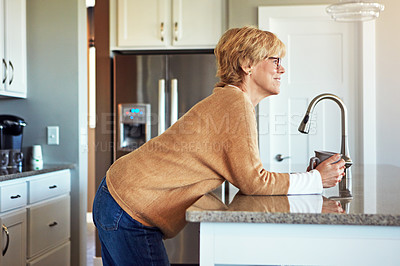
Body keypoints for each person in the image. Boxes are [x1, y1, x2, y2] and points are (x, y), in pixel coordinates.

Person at [92, 26, 346, 266]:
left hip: (118, 197)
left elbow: (247, 175)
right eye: (275, 60)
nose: (282, 69)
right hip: (127, 208)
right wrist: (315, 179)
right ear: (247, 65)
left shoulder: (232, 101)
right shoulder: (235, 104)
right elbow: (254, 182)